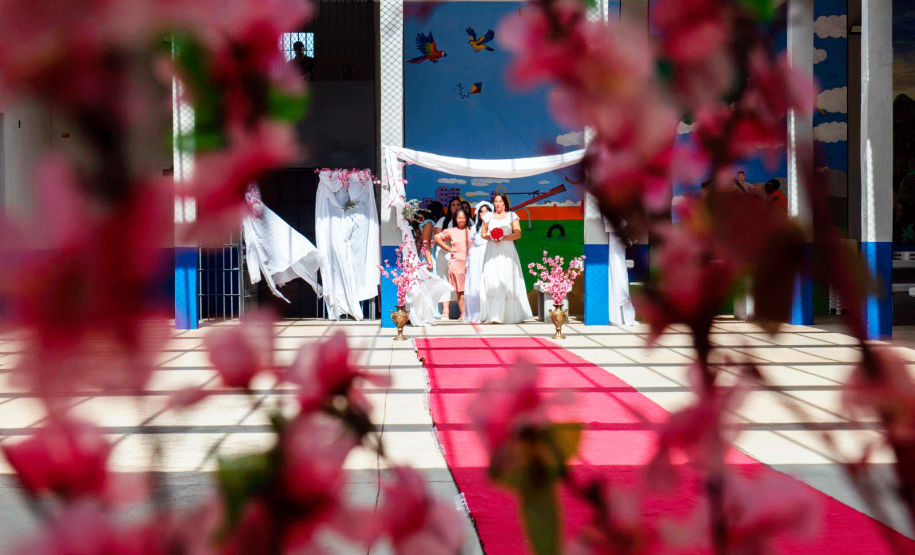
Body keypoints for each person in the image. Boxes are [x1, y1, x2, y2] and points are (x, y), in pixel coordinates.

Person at [479, 194, 533, 324]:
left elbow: (517, 233)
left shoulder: (512, 216)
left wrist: (503, 237)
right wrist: (492, 237)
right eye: (496, 201)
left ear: (505, 203)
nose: (497, 204)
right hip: (492, 250)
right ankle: (493, 315)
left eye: (500, 201)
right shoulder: (488, 216)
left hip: (507, 250)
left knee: (506, 279)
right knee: (492, 280)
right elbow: (483, 233)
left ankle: (509, 314)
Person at [405, 210, 453, 326]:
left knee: (427, 284)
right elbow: (426, 244)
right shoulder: (429, 223)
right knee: (432, 283)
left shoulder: (420, 225)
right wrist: (429, 260)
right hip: (429, 256)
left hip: (424, 255)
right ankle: (432, 310)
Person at [434, 209, 472, 319]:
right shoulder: (451, 230)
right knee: (461, 290)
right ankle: (463, 313)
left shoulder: (472, 230)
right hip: (457, 261)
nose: (461, 220)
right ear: (455, 219)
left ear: (467, 218)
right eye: (459, 218)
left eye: (463, 218)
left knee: (471, 289)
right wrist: (448, 248)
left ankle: (471, 313)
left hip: (470, 261)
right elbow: (437, 237)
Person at [463, 201, 492, 323]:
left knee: (489, 285)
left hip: (489, 254)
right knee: (475, 287)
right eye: (481, 212)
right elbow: (470, 246)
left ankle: (490, 313)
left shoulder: (494, 226)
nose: (484, 214)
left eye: (486, 211)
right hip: (476, 257)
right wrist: (467, 262)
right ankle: (476, 313)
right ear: (478, 214)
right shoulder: (474, 228)